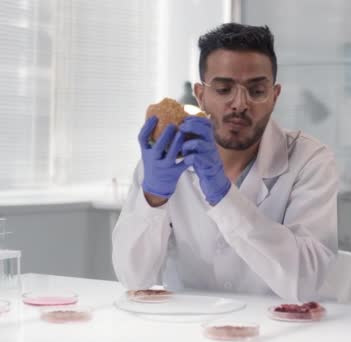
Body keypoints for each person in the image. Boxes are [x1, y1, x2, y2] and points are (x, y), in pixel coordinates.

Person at [112, 23, 338, 301]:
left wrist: (223, 195)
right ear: (200, 94)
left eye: (256, 90)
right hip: (189, 326)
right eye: (223, 89)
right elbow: (133, 278)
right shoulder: (166, 159)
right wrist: (153, 199)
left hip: (280, 327)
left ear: (275, 96)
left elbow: (306, 281)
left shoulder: (310, 160)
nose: (240, 103)